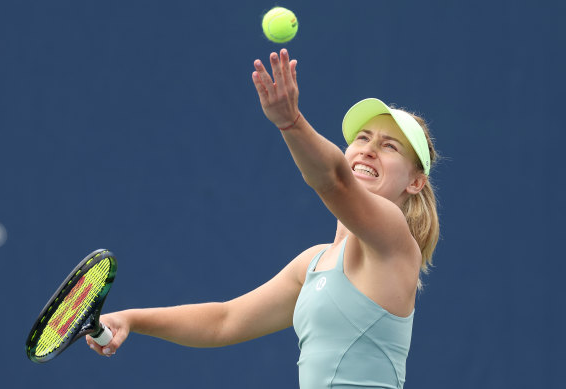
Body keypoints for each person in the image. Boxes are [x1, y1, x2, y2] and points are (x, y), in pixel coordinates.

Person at [87, 49, 440, 389]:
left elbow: (334, 181)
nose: (369, 148)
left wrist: (291, 122)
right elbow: (223, 321)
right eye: (363, 137)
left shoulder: (394, 237)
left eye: (389, 146)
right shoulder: (312, 264)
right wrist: (131, 319)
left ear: (415, 182)